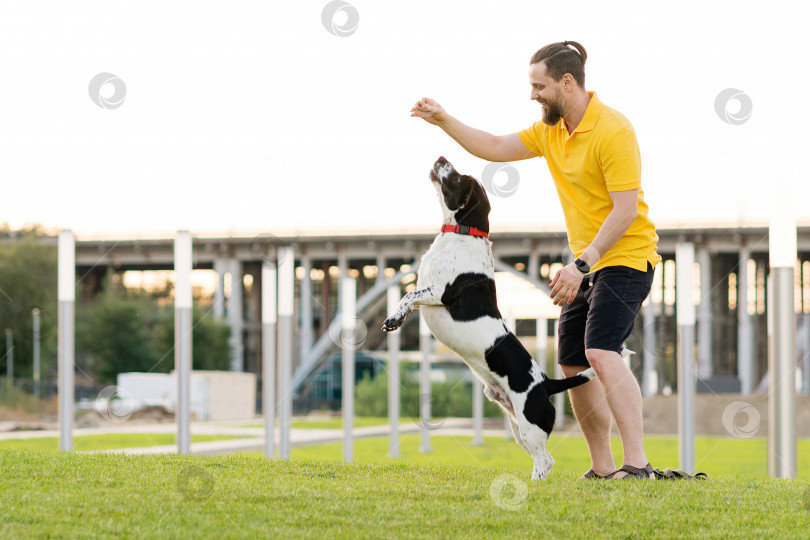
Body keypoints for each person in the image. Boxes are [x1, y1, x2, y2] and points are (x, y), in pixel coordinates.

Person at [411, 40, 661, 479]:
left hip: (625, 257)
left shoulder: (613, 130)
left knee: (601, 350)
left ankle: (637, 464)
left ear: (567, 82)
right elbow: (491, 145)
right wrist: (443, 120)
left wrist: (581, 265)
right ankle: (602, 469)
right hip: (587, 263)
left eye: (538, 86)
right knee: (571, 362)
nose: (532, 96)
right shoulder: (550, 131)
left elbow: (624, 211)